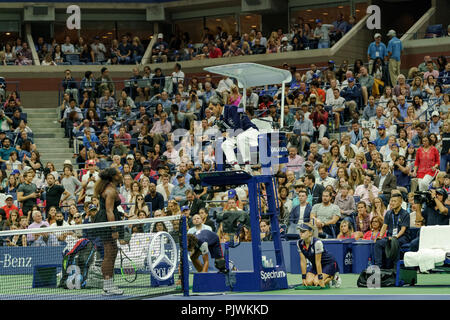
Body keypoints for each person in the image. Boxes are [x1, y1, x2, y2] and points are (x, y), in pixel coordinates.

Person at [92, 168, 124, 295]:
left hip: (108, 220)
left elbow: (110, 210)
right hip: (108, 222)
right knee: (109, 253)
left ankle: (109, 284)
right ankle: (107, 286)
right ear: (114, 177)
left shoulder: (109, 188)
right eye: (119, 174)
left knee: (112, 251)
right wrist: (114, 229)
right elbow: (109, 211)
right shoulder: (110, 191)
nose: (121, 175)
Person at [209, 92, 259, 172]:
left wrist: (227, 133)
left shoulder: (233, 108)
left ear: (218, 105)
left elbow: (239, 128)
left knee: (241, 137)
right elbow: (224, 133)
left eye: (212, 108)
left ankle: (247, 165)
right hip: (237, 136)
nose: (211, 111)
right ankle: (236, 167)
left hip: (250, 131)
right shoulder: (221, 117)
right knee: (225, 145)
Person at [297, 223, 341, 288]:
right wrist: (303, 278)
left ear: (310, 233)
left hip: (329, 263)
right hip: (316, 265)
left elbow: (318, 262)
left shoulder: (317, 243)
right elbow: (303, 262)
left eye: (303, 231)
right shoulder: (299, 243)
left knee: (317, 283)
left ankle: (333, 277)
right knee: (308, 282)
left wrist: (320, 278)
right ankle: (324, 278)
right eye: (300, 231)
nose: (301, 233)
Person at [373, 194, 410, 268]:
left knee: (394, 242)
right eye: (391, 201)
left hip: (402, 237)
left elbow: (403, 229)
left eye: (394, 201)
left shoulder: (405, 214)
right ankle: (379, 267)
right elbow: (384, 226)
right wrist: (380, 236)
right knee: (378, 243)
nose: (392, 203)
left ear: (400, 202)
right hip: (390, 237)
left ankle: (395, 269)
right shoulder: (388, 213)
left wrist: (395, 236)